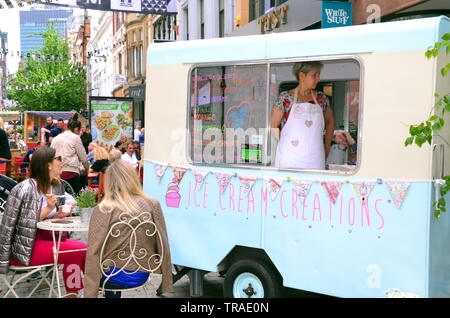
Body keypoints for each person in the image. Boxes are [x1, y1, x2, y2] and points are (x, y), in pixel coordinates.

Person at [0, 146, 87, 297]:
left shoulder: (55, 185)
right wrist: (48, 208)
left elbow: (43, 220)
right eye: (58, 159)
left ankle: (79, 291)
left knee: (83, 249)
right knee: (78, 251)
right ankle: (81, 291)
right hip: (23, 249)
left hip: (45, 239)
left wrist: (57, 215)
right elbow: (21, 223)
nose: (62, 162)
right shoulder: (24, 188)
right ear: (47, 164)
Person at [84, 160, 173, 298]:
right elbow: (163, 243)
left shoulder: (104, 208)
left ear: (109, 182)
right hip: (142, 272)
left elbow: (93, 251)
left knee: (84, 257)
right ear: (133, 178)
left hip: (111, 275)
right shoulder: (152, 204)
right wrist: (166, 284)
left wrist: (90, 294)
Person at [270, 61, 335, 170]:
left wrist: (327, 147)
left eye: (318, 75)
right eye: (314, 75)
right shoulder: (285, 98)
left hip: (316, 157)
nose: (318, 79)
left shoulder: (322, 99)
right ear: (301, 75)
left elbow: (330, 122)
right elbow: (273, 125)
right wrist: (287, 145)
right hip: (289, 158)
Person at [51, 114, 89, 194]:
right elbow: (84, 158)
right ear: (76, 129)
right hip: (71, 173)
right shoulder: (75, 138)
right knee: (75, 198)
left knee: (59, 198)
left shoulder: (55, 138)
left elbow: (51, 156)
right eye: (79, 130)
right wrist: (86, 169)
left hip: (56, 174)